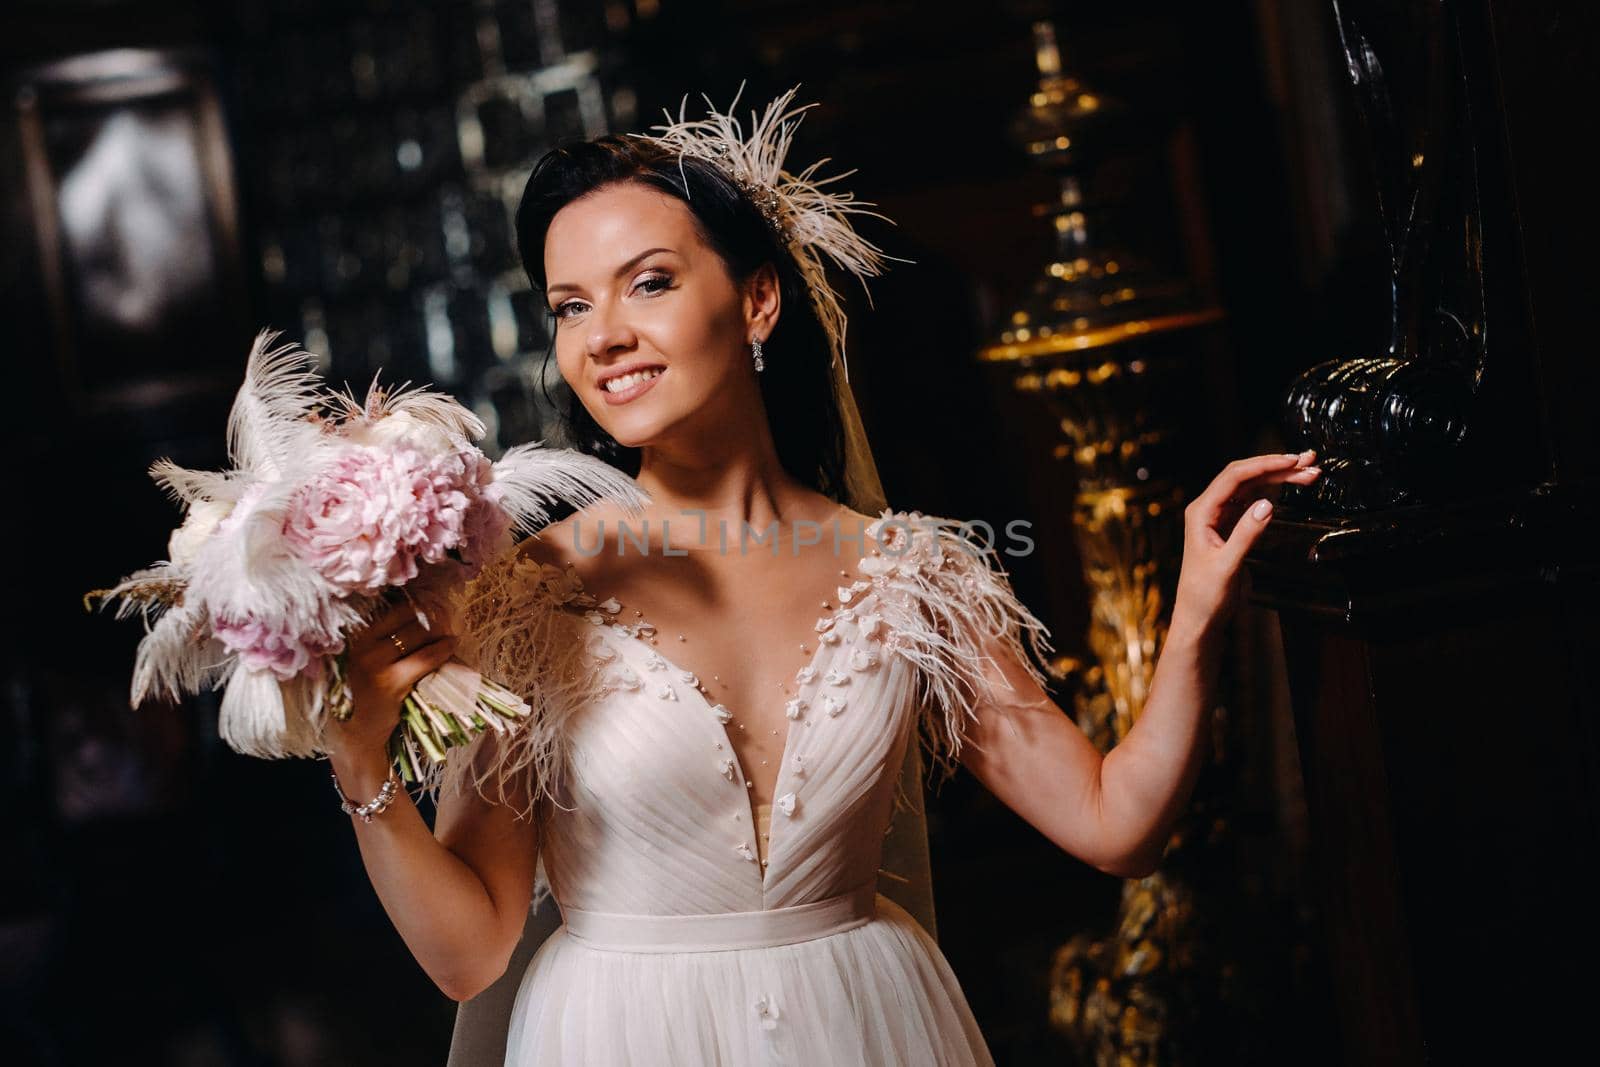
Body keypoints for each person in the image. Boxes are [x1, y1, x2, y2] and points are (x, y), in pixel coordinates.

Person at [320, 88, 1323, 1065]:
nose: (603, 335)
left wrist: (1194, 614)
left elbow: (1117, 825)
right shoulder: (527, 596)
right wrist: (361, 764)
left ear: (757, 300)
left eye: (650, 281)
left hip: (868, 1025)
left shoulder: (912, 578)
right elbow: (470, 954)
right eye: (571, 305)